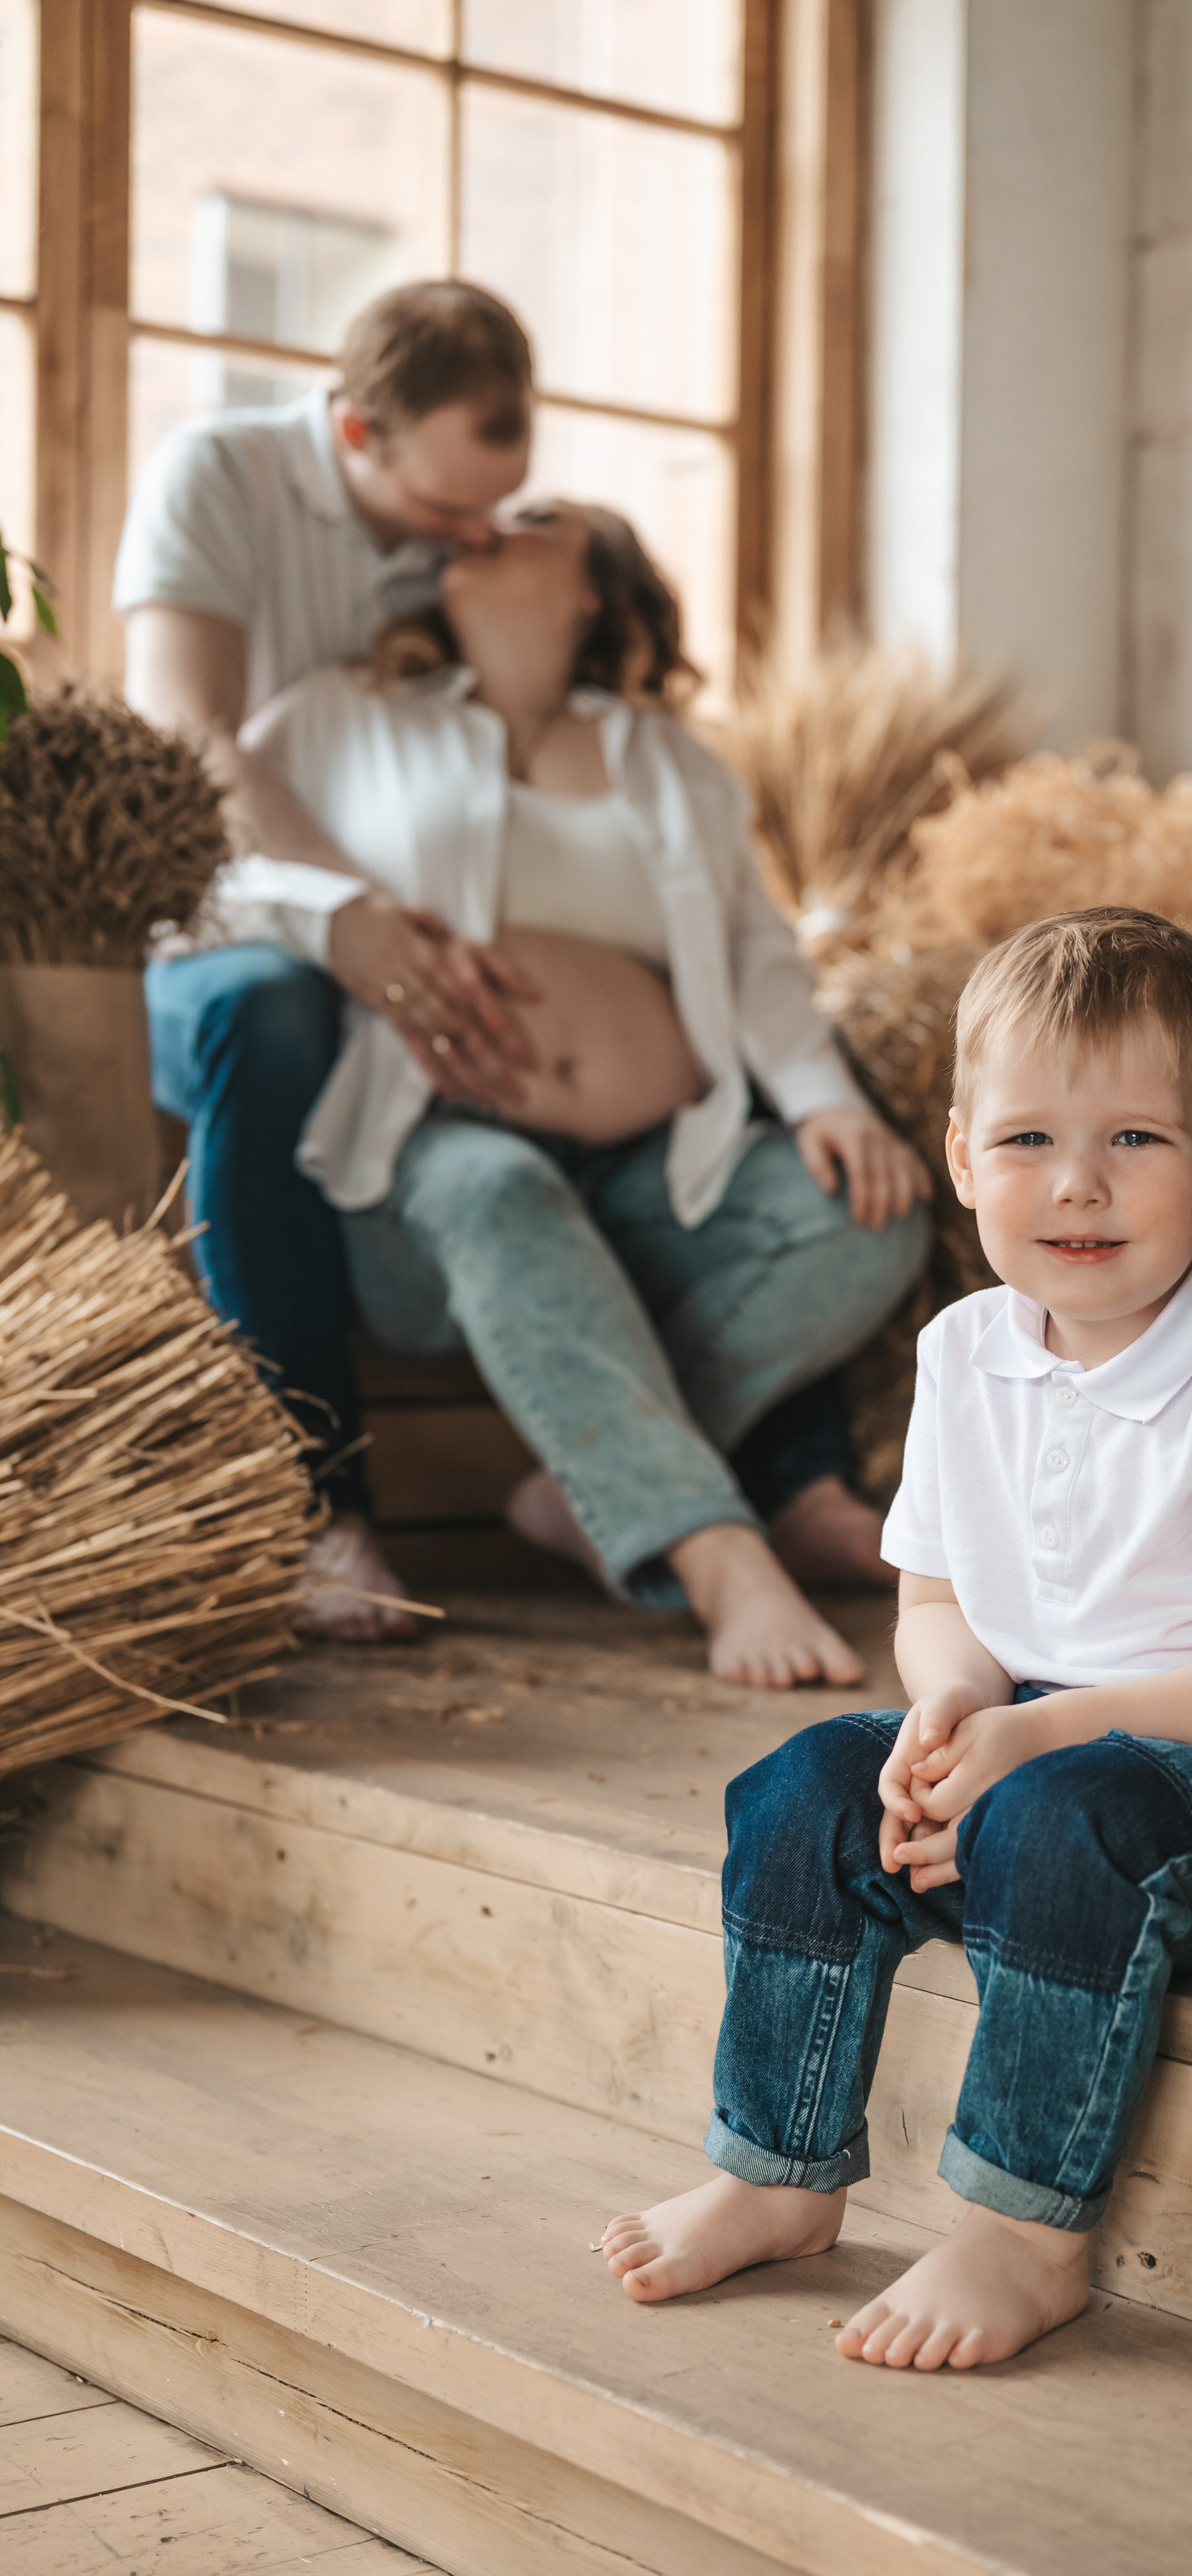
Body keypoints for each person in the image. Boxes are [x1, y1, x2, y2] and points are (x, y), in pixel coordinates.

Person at [599, 906, 1192, 2364]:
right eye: (1029, 1139)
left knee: (1056, 1816)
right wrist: (952, 1709)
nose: (1078, 1183)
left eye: (1135, 1140)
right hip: (1042, 1741)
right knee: (807, 1785)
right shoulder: (962, 1353)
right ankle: (776, 2171)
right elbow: (936, 1603)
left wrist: (1037, 1733)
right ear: (964, 1157)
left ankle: (1026, 2234)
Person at [194, 500, 931, 1686]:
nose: (489, 520)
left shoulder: (676, 766)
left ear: (593, 589)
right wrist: (337, 923)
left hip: (654, 1166)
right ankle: (719, 1557)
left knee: (863, 1214)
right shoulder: (340, 715)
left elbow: (755, 947)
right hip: (429, 1157)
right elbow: (216, 867)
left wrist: (818, 1095)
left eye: (535, 517)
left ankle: (585, 1486)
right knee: (500, 1189)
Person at [122, 280, 544, 1639]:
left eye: (494, 509)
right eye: (445, 511)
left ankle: (767, 1476)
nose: (472, 541)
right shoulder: (217, 474)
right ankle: (316, 1497)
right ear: (357, 431)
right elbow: (187, 731)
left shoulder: (461, 529)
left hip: (409, 925)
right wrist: (342, 909)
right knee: (275, 1009)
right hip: (218, 931)